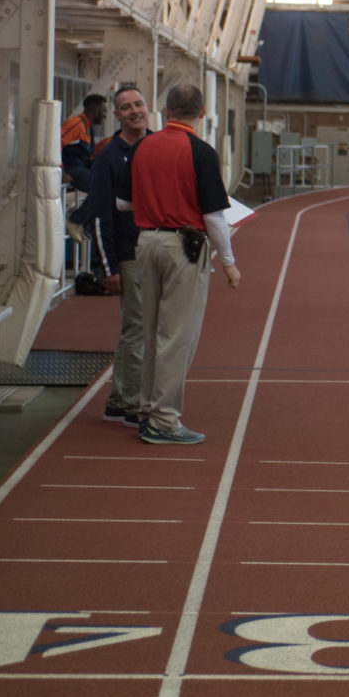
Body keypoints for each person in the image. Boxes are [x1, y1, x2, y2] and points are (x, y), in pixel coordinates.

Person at [130, 82, 242, 447]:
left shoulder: (142, 146)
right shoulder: (201, 152)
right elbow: (213, 216)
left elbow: (122, 203)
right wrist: (228, 261)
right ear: (202, 113)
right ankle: (164, 420)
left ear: (165, 110)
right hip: (184, 246)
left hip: (146, 242)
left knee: (150, 332)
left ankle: (146, 410)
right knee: (177, 337)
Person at [85, 85, 152, 427]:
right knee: (137, 327)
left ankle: (127, 397)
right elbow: (99, 217)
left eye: (139, 104)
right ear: (117, 115)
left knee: (145, 329)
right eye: (126, 107)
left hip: (158, 253)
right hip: (127, 255)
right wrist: (108, 267)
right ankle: (127, 402)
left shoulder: (157, 147)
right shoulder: (108, 158)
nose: (135, 111)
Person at [60, 94, 108, 191]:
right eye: (104, 111)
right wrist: (61, 172)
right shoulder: (75, 123)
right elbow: (55, 144)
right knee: (99, 183)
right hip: (70, 169)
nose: (105, 115)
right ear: (93, 109)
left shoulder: (89, 128)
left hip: (81, 166)